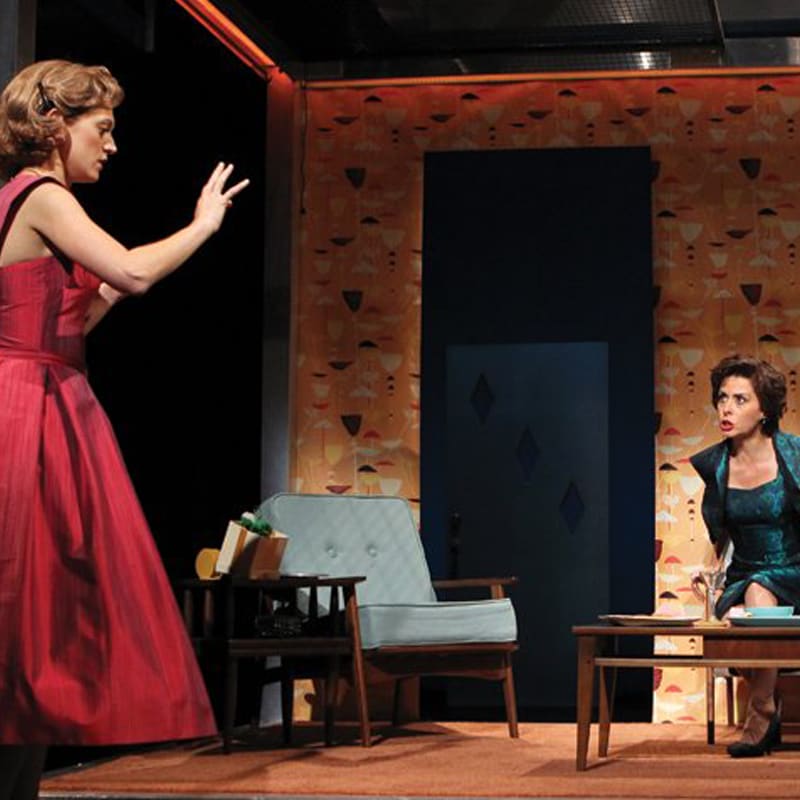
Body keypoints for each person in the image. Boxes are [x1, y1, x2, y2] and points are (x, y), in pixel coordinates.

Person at [0, 59, 248, 799]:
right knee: (25, 611)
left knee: (37, 620)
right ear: (55, 125)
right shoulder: (42, 194)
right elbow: (134, 272)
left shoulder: (23, 200)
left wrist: (105, 289)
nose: (112, 145)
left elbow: (74, 321)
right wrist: (202, 226)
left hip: (47, 396)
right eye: (101, 129)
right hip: (28, 408)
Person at [691, 354, 800, 758]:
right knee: (744, 603)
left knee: (758, 591)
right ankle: (768, 705)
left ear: (765, 409)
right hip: (743, 574)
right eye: (722, 398)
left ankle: (761, 711)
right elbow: (721, 532)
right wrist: (709, 571)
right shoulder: (716, 464)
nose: (726, 408)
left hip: (793, 572)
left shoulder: (794, 455)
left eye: (740, 399)